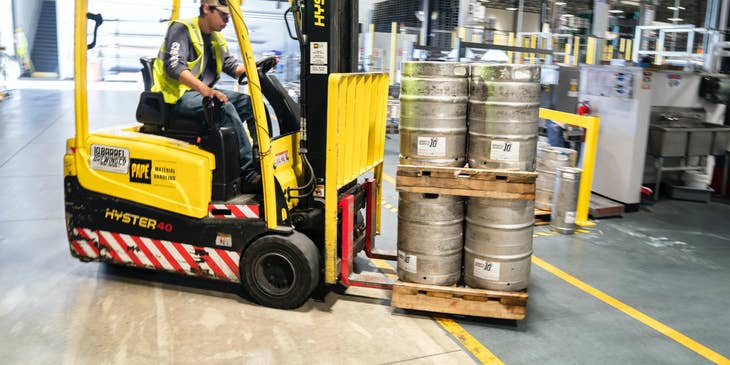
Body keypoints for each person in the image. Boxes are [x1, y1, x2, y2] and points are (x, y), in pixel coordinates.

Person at [151, 0, 273, 184]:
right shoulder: (182, 29)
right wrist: (206, 90)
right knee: (224, 106)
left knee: (252, 104)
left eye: (228, 16)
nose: (226, 20)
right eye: (223, 15)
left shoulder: (215, 38)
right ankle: (249, 175)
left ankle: (262, 158)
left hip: (199, 94)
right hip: (177, 98)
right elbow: (174, 67)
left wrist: (255, 67)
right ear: (207, 8)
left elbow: (232, 68)